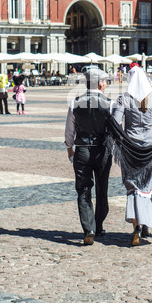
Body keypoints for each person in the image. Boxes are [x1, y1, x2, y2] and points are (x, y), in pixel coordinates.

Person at [109, 65, 152, 246]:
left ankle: (136, 229)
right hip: (151, 146)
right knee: (148, 186)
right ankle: (145, 224)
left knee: (133, 185)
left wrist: (122, 139)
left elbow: (115, 123)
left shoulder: (123, 98)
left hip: (131, 147)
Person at [64, 67, 112, 246]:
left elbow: (70, 130)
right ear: (100, 84)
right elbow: (114, 130)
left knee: (83, 189)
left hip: (82, 149)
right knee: (102, 188)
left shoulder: (75, 102)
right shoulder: (109, 103)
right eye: (106, 82)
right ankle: (99, 225)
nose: (106, 84)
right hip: (102, 150)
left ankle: (88, 229)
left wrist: (70, 148)